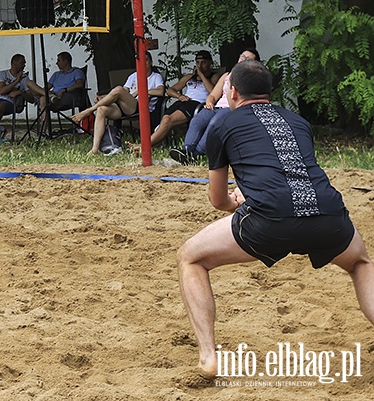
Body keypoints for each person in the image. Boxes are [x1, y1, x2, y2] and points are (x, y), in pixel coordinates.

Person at [176, 60, 374, 379]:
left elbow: (217, 200)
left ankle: (208, 356)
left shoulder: (222, 124)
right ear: (269, 93)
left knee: (190, 258)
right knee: (361, 263)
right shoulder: (297, 121)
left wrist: (236, 200)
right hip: (326, 211)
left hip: (270, 217)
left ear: (234, 92)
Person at [170, 48, 260, 165]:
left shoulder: (251, 78)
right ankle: (187, 150)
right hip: (217, 107)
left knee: (214, 124)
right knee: (197, 120)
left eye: (247, 59)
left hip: (232, 109)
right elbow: (213, 94)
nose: (243, 59)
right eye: (242, 56)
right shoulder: (227, 75)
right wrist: (210, 102)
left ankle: (196, 154)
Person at [72, 52, 165, 155]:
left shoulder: (155, 76)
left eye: (146, 60)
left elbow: (161, 91)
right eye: (140, 60)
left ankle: (89, 110)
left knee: (119, 89)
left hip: (141, 107)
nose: (143, 62)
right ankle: (95, 149)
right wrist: (105, 97)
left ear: (151, 62)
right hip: (125, 107)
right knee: (102, 109)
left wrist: (141, 91)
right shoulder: (133, 76)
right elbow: (122, 91)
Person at [144, 49, 219, 149]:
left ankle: (143, 146)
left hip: (197, 105)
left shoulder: (214, 77)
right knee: (166, 119)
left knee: (168, 121)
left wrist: (201, 75)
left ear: (210, 63)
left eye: (203, 63)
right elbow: (170, 90)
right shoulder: (189, 77)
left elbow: (213, 92)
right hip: (183, 101)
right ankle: (150, 147)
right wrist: (179, 96)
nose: (200, 65)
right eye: (197, 62)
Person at [0, 53, 45, 129]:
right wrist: (16, 81)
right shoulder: (3, 74)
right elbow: (2, 91)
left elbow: (31, 99)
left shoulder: (25, 79)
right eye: (22, 63)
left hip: (13, 103)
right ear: (14, 63)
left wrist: (20, 92)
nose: (24, 65)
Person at [40, 52, 87, 132]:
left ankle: (42, 131)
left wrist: (65, 90)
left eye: (59, 60)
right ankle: (51, 98)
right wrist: (44, 91)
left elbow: (79, 84)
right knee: (43, 98)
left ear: (65, 61)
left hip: (67, 96)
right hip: (54, 95)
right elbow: (47, 87)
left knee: (43, 100)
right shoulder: (56, 74)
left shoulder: (76, 72)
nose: (56, 63)